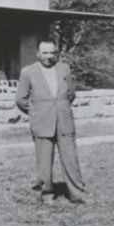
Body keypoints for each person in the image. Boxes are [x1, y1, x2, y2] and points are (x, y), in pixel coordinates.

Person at [15, 39, 85, 204]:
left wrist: (60, 108)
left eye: (52, 53)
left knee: (70, 159)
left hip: (64, 121)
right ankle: (47, 193)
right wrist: (36, 112)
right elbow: (20, 99)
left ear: (56, 53)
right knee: (44, 161)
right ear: (38, 54)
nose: (49, 56)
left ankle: (76, 194)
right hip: (42, 122)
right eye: (45, 53)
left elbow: (71, 94)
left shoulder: (64, 69)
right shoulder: (28, 72)